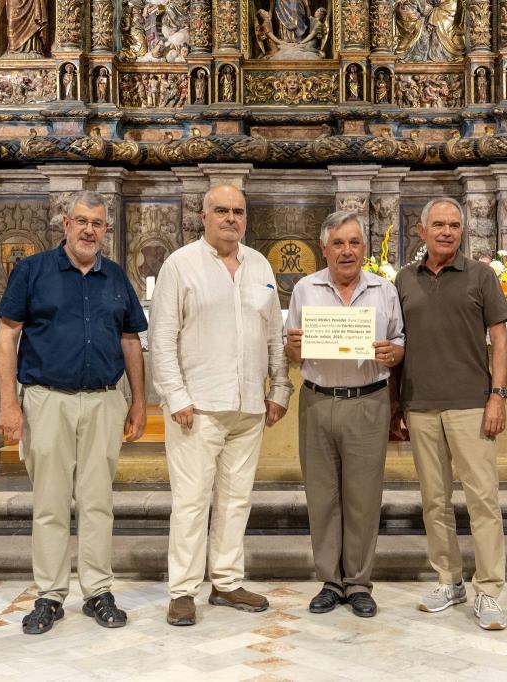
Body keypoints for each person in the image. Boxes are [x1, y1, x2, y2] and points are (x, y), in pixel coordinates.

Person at [0, 191, 147, 635]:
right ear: (65, 223)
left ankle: (98, 590)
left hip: (103, 399)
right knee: (50, 502)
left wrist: (138, 400)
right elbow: (7, 338)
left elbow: (130, 341)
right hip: (47, 399)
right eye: (81, 221)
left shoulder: (116, 277)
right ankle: (49, 594)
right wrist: (8, 403)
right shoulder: (33, 271)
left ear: (106, 229)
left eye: (97, 223)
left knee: (98, 501)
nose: (88, 230)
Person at [148, 184, 292, 627]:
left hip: (248, 405)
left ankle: (226, 582)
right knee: (191, 501)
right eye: (222, 211)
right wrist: (176, 396)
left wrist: (279, 388)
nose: (231, 218)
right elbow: (162, 337)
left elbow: (273, 335)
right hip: (199, 405)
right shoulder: (181, 265)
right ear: (204, 216)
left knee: (236, 499)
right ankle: (183, 590)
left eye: (238, 211)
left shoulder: (259, 264)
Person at [395, 197, 507, 630]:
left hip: (470, 404)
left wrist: (497, 395)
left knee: (483, 499)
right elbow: (397, 343)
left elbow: (500, 340)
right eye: (439, 225)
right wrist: (396, 404)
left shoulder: (482, 276)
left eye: (455, 225)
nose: (447, 232)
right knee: (435, 501)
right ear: (421, 232)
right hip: (420, 404)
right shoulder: (403, 280)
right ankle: (449, 579)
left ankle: (488, 590)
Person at [284, 211, 405, 618]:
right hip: (317, 400)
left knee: (363, 498)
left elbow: (400, 342)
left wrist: (394, 351)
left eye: (354, 242)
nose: (347, 251)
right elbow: (293, 347)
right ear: (324, 248)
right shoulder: (305, 288)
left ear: (364, 248)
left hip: (369, 401)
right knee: (322, 496)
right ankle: (329, 582)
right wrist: (294, 346)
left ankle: (358, 582)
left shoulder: (385, 291)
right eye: (338, 243)